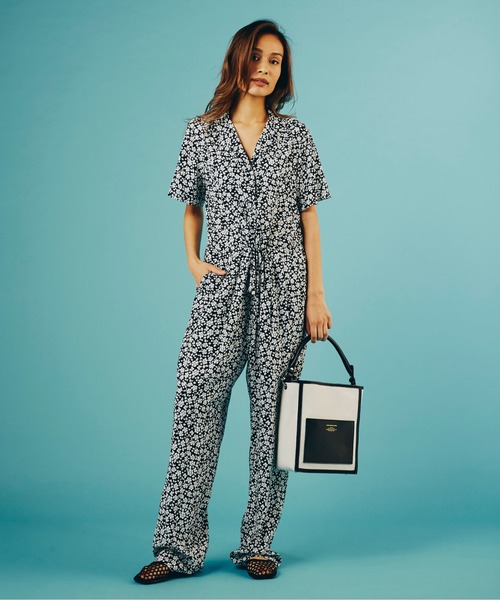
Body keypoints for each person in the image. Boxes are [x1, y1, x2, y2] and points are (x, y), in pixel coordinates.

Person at [133, 19, 332, 584]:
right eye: (257, 57)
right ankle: (177, 550)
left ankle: (257, 545)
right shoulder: (201, 134)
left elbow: (310, 219)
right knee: (195, 413)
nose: (264, 69)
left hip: (284, 294)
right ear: (237, 60)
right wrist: (193, 262)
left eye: (275, 61)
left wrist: (316, 295)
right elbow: (191, 206)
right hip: (220, 293)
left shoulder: (295, 137)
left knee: (274, 421)